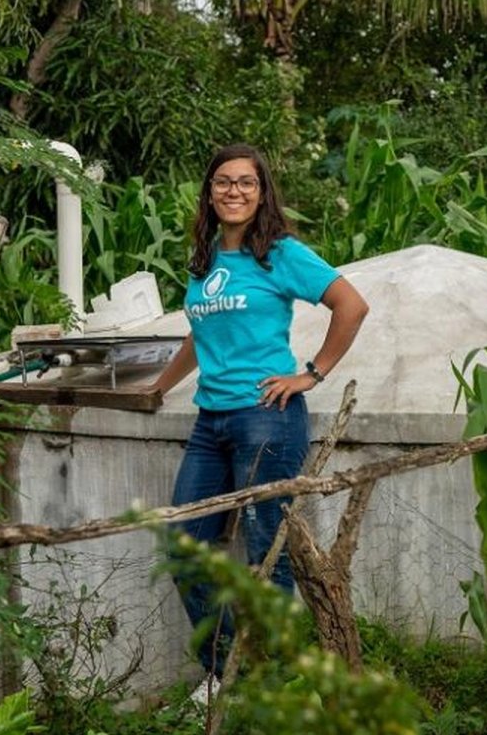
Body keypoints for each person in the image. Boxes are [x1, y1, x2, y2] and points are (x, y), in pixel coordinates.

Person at [149, 143, 369, 703]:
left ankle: (276, 677)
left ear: (262, 191)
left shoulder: (280, 254)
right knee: (183, 546)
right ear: (210, 192)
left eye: (246, 182)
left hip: (266, 419)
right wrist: (156, 386)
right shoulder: (205, 259)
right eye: (223, 182)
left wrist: (311, 374)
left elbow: (352, 305)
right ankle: (228, 672)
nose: (234, 191)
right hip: (210, 423)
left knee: (269, 555)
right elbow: (201, 336)